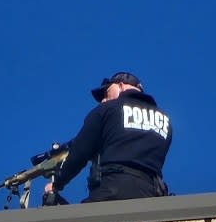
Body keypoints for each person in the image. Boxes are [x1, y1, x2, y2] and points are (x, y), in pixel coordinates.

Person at [45, 71, 172, 204]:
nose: (103, 100)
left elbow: (79, 153)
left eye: (106, 93)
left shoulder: (106, 110)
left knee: (80, 221)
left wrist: (57, 183)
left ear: (121, 86)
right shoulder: (166, 120)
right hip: (152, 195)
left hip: (113, 189)